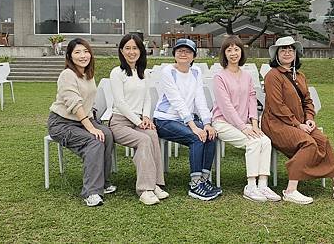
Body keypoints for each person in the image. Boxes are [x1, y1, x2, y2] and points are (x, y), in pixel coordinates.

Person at [261, 36, 334, 204]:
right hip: (276, 124)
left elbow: (307, 101)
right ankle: (290, 190)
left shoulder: (300, 76)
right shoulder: (272, 76)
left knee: (323, 140)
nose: (287, 52)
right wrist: (298, 124)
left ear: (296, 53)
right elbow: (277, 106)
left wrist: (309, 118)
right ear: (276, 55)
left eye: (291, 49)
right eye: (283, 49)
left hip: (301, 123)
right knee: (308, 143)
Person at [211, 35, 281, 202]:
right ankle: (250, 186)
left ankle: (263, 185)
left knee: (265, 140)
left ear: (241, 52)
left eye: (236, 49)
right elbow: (226, 107)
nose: (233, 53)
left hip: (246, 123)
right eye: (229, 50)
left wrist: (255, 124)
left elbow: (251, 100)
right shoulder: (219, 77)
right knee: (253, 142)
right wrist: (244, 128)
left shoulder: (248, 75)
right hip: (223, 123)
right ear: (224, 54)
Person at [47, 38, 116, 207]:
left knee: (107, 134)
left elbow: (88, 103)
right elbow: (75, 104)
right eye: (77, 52)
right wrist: (91, 128)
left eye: (85, 51)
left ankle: (103, 182)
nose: (83, 56)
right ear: (70, 56)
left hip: (82, 120)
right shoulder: (67, 75)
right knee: (94, 141)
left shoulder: (87, 74)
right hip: (62, 123)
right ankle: (91, 192)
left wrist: (94, 122)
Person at [153, 38, 221, 201]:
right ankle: (195, 184)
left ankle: (204, 179)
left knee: (211, 135)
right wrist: (194, 127)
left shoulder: (196, 72)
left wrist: (207, 124)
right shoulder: (168, 71)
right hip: (165, 120)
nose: (183, 54)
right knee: (196, 138)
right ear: (174, 54)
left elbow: (200, 100)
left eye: (188, 51)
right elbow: (177, 101)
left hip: (184, 120)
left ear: (194, 56)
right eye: (180, 51)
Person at [108, 34, 168, 205]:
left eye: (135, 48)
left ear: (141, 51)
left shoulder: (143, 73)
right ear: (121, 51)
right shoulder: (117, 72)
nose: (131, 52)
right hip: (120, 122)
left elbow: (147, 98)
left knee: (152, 135)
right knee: (143, 139)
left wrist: (147, 117)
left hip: (139, 119)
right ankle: (144, 189)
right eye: (127, 48)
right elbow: (120, 103)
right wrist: (139, 121)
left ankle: (155, 184)